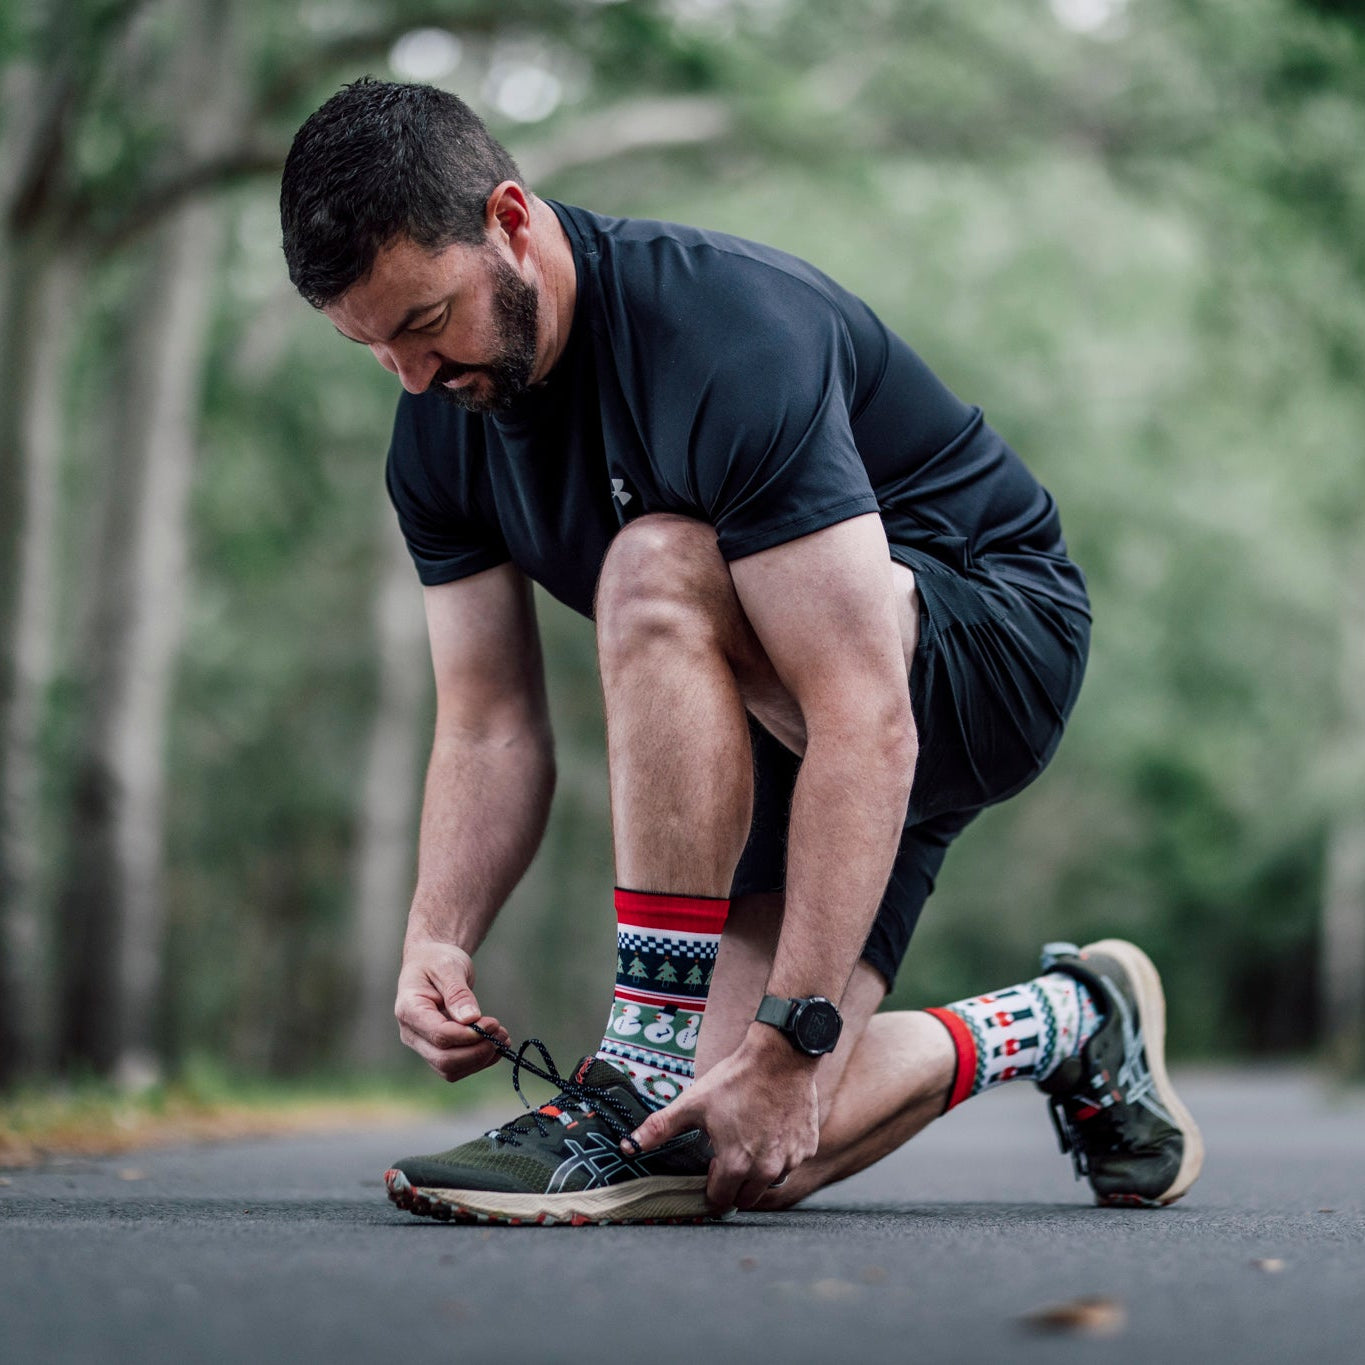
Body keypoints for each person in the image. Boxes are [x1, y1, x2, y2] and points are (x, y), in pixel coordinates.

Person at [279, 78, 1202, 1225]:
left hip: (982, 647)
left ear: (511, 223)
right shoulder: (439, 432)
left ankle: (632, 1069)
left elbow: (866, 715)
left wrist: (796, 1027)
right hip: (793, 712)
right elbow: (490, 722)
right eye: (372, 348)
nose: (415, 377)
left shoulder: (719, 335)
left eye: (425, 323)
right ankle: (1074, 1019)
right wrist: (435, 935)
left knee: (656, 562)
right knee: (727, 1144)